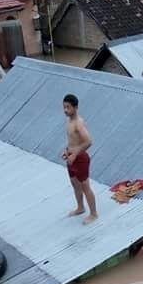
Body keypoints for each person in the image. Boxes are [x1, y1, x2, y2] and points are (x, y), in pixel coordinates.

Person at [61, 94, 97, 225]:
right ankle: (80, 207)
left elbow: (88, 141)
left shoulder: (78, 123)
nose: (65, 110)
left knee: (85, 186)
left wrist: (75, 154)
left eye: (68, 107)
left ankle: (93, 214)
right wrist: (67, 151)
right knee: (75, 184)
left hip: (80, 159)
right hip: (71, 159)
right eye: (64, 107)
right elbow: (73, 141)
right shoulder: (69, 121)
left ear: (75, 108)